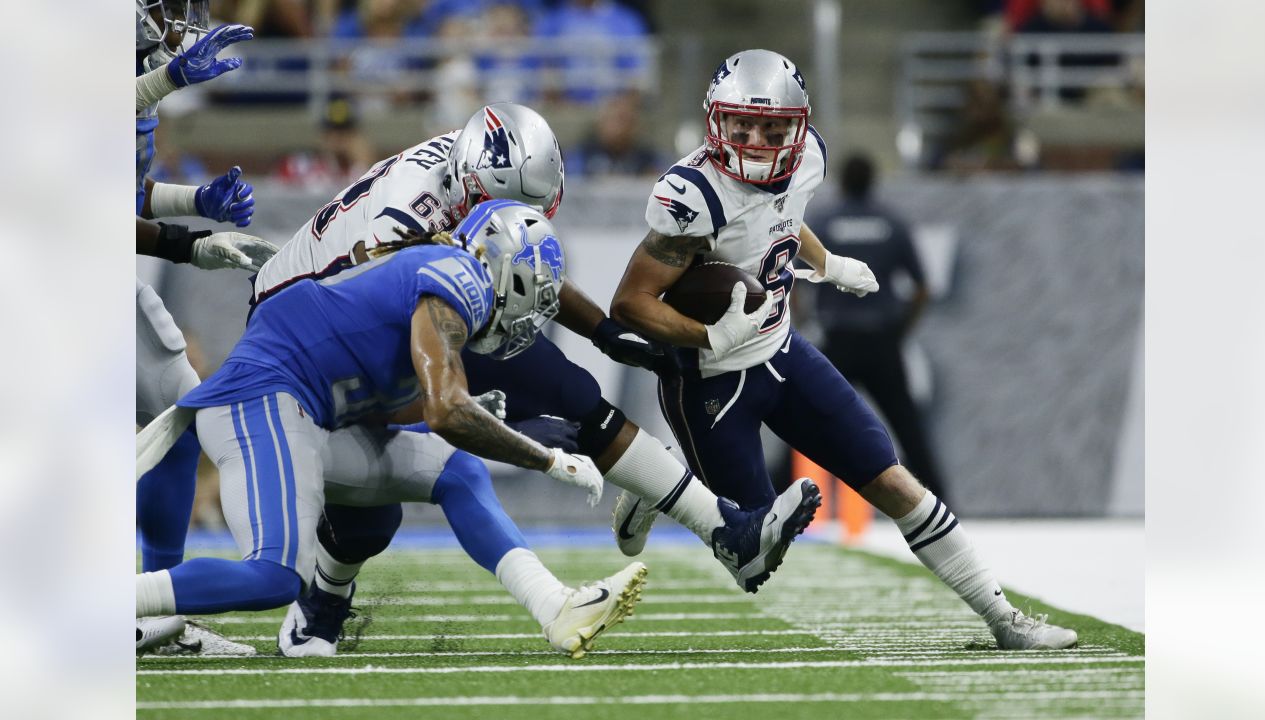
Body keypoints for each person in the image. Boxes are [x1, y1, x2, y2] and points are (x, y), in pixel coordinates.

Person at [248, 102, 820, 657]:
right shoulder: (401, 230)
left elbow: (509, 253)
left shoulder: (476, 171)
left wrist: (603, 331)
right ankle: (320, 601)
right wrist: (514, 426)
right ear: (472, 197)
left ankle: (728, 531)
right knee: (376, 503)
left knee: (571, 394)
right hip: (300, 351)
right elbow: (400, 386)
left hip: (371, 306)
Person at [609, 49, 1077, 650]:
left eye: (773, 128)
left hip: (780, 349)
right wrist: (708, 335)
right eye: (741, 127)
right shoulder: (694, 192)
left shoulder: (807, 159)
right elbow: (630, 303)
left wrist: (826, 262)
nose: (755, 141)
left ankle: (1003, 619)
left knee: (890, 479)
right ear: (714, 123)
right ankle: (660, 479)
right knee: (750, 559)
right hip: (709, 375)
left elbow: (780, 213)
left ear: (798, 127)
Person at [136, 200, 649, 660]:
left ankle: (554, 605)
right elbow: (444, 412)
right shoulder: (461, 278)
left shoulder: (436, 291)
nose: (532, 318)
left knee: (455, 470)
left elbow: (393, 412)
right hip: (261, 401)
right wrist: (547, 459)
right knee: (273, 575)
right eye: (534, 296)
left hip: (305, 416)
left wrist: (487, 422)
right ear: (505, 270)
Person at [135, 0, 273, 656]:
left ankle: (152, 613)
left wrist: (196, 209)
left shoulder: (136, 77)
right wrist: (186, 245)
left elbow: (121, 191)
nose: (177, 12)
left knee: (177, 417)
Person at [805, 154, 948, 502]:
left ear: (842, 182)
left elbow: (797, 279)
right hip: (882, 340)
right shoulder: (891, 223)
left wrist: (804, 319)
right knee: (907, 426)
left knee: (810, 421)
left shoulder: (825, 222)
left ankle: (773, 499)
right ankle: (938, 503)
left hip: (838, 339)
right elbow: (922, 288)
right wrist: (901, 330)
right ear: (872, 182)